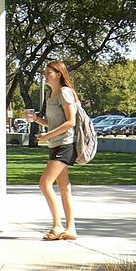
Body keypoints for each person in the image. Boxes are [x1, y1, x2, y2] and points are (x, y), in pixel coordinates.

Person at [33, 58, 85, 241]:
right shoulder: (51, 95)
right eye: (45, 73)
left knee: (44, 183)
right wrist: (37, 120)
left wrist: (47, 136)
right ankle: (71, 229)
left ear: (59, 75)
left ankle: (57, 226)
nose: (45, 76)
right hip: (55, 144)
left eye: (49, 73)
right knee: (63, 188)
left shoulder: (65, 92)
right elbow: (54, 122)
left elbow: (70, 122)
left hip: (65, 144)